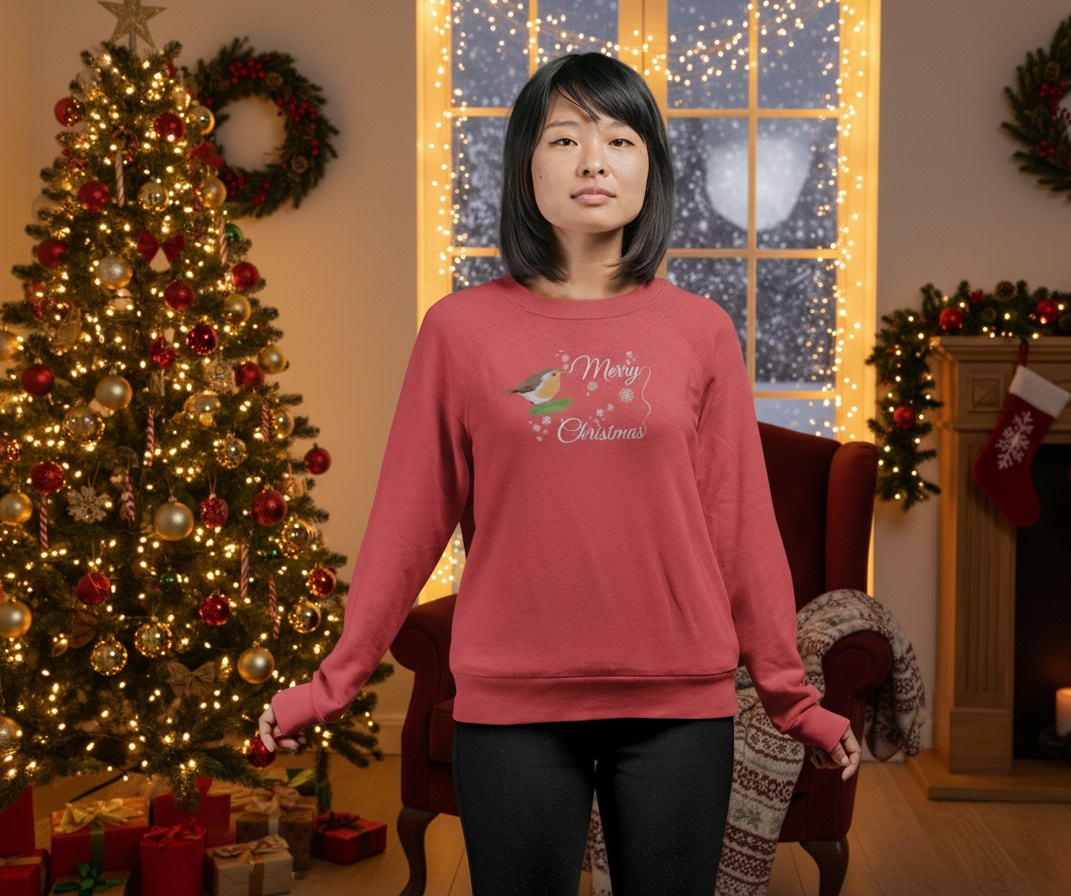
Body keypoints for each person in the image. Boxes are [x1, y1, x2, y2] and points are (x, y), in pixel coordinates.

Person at [259, 52, 860, 895]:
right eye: (565, 138)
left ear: (649, 166)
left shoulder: (700, 332)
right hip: (512, 706)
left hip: (681, 707)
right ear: (525, 165)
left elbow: (741, 527)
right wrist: (333, 685)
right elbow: (408, 521)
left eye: (620, 140)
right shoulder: (460, 331)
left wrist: (791, 699)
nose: (592, 161)